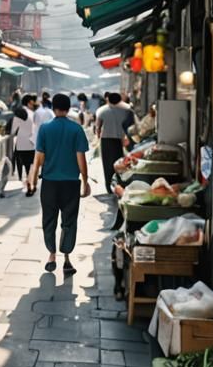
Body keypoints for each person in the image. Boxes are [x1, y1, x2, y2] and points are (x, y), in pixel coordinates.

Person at [28, 93, 91, 275]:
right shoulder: (76, 129)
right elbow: (81, 158)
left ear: (53, 108)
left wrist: (33, 179)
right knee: (69, 220)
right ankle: (67, 258)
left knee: (49, 219)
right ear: (68, 108)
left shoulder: (45, 129)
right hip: (71, 184)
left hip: (50, 183)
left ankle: (51, 255)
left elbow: (39, 158)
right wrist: (85, 181)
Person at [95, 92, 133, 194]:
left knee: (107, 165)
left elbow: (98, 127)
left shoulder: (101, 110)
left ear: (108, 100)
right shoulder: (126, 110)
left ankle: (109, 187)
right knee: (120, 164)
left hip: (106, 140)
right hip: (120, 140)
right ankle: (119, 185)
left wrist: (98, 137)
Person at [9, 94, 37, 188]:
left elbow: (13, 129)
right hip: (31, 143)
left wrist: (11, 134)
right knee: (29, 164)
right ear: (29, 103)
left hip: (21, 143)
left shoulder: (20, 112)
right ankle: (29, 180)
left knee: (19, 163)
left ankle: (20, 179)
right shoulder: (33, 113)